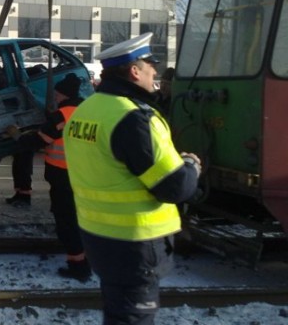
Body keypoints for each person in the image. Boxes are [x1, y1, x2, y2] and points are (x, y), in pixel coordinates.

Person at [64, 33, 201, 325]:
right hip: (135, 243)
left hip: (97, 236)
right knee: (133, 318)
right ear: (134, 71)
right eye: (152, 69)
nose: (156, 76)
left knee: (118, 313)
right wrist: (191, 166)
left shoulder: (85, 111)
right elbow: (175, 187)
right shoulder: (134, 119)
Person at [8, 73, 91, 280]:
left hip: (63, 177)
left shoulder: (61, 116)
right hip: (85, 176)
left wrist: (16, 135)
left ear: (62, 94)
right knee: (81, 219)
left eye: (56, 93)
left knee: (67, 222)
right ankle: (87, 259)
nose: (54, 97)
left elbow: (38, 141)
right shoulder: (88, 112)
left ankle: (78, 267)